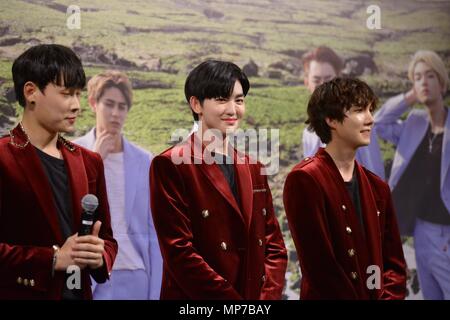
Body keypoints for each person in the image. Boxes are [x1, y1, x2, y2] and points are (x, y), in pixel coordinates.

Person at [150, 60, 287, 300]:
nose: (233, 110)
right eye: (222, 99)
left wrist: (265, 299)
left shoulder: (254, 168)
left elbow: (273, 245)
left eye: (239, 100)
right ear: (196, 104)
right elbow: (179, 252)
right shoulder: (171, 164)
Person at [0, 44, 117, 299]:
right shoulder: (3, 156)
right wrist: (52, 258)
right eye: (66, 94)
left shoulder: (89, 161)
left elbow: (107, 238)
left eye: (78, 94)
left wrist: (99, 255)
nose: (76, 105)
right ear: (31, 92)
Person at [284, 78, 406, 299]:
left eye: (371, 109)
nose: (370, 119)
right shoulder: (304, 179)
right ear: (331, 119)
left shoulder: (378, 187)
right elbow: (321, 269)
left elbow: (394, 267)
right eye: (359, 110)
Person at [74, 71, 162, 299]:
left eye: (122, 107)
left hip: (136, 275)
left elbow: (154, 229)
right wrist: (95, 160)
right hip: (92, 276)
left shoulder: (144, 160)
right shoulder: (73, 153)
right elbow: (69, 210)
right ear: (94, 103)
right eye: (109, 104)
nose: (115, 113)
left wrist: (156, 290)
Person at [375, 50, 450, 300]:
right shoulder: (413, 124)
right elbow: (379, 123)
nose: (424, 83)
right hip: (420, 232)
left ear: (442, 82)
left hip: (446, 233)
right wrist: (409, 98)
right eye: (417, 78)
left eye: (430, 76)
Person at [301, 46, 385, 179]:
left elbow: (375, 175)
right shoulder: (308, 134)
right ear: (307, 82)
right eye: (316, 80)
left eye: (328, 79)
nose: (323, 86)